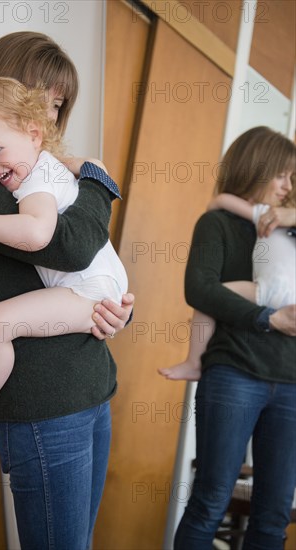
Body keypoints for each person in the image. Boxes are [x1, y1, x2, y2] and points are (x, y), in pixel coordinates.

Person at [0, 31, 134, 550]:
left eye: (58, 104)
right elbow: (68, 245)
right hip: (43, 402)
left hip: (90, 387)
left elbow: (85, 262)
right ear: (1, 86)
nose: (47, 111)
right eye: (42, 93)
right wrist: (98, 181)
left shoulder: (35, 172)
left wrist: (113, 311)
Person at [0, 76, 128, 423]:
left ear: (33, 134)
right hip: (97, 289)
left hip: (88, 291)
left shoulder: (38, 178)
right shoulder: (43, 168)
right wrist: (96, 175)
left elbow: (39, 234)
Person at [172, 126, 296, 550]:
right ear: (256, 168)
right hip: (234, 373)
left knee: (274, 517)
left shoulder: (291, 229)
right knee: (210, 502)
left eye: (292, 178)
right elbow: (200, 289)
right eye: (281, 175)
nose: (287, 186)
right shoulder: (218, 224)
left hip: (293, 384)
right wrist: (266, 318)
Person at [159, 188, 295, 381]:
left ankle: (193, 362)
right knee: (208, 295)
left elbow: (222, 200)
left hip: (265, 289)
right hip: (289, 297)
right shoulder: (279, 218)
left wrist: (213, 205)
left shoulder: (270, 216)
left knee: (210, 298)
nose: (286, 186)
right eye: (281, 176)